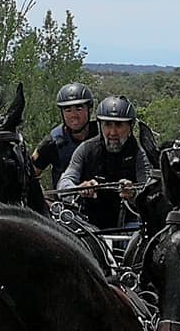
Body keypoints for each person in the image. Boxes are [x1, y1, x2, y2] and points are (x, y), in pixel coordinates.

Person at [56, 95, 151, 230]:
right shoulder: (85, 149)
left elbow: (149, 194)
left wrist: (133, 194)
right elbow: (64, 184)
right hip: (88, 224)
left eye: (119, 125)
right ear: (100, 125)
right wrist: (79, 189)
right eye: (107, 125)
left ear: (130, 126)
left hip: (128, 226)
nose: (112, 132)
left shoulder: (139, 154)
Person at [31, 82, 96, 188]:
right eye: (68, 110)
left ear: (89, 109)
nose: (74, 115)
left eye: (79, 109)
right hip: (66, 197)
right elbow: (30, 175)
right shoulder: (52, 142)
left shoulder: (102, 135)